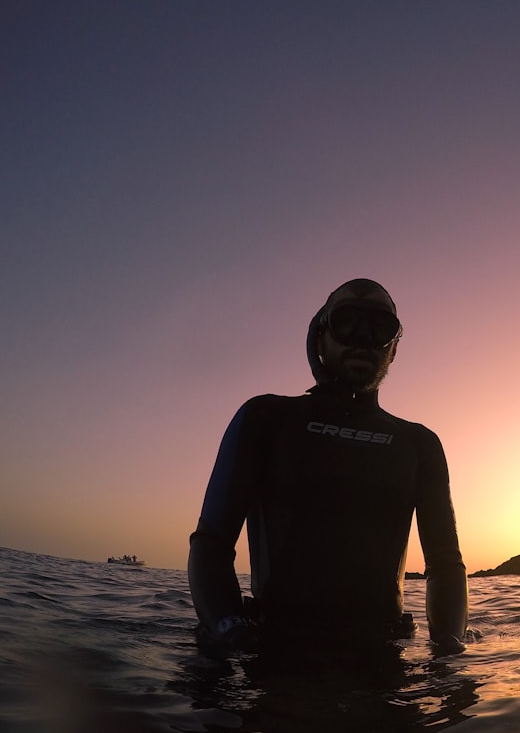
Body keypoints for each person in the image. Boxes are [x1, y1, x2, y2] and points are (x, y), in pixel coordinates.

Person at [187, 278, 469, 655]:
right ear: (319, 338)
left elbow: (446, 565)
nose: (363, 339)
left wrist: (449, 656)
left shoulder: (418, 444)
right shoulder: (266, 419)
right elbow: (212, 543)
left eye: (380, 328)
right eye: (347, 322)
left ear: (395, 349)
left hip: (381, 659)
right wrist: (233, 634)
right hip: (273, 656)